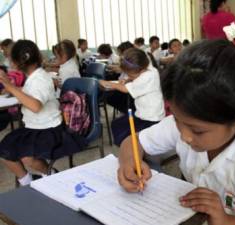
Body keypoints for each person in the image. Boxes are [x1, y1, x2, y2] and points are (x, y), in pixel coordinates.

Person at [117, 36, 235, 224]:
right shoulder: (186, 123)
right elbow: (133, 142)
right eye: (178, 119)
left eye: (198, 131)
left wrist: (227, 221)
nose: (184, 136)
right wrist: (129, 162)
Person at [0, 40, 84, 186]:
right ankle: (27, 180)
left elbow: (35, 106)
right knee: (5, 150)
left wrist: (10, 87)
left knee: (26, 156)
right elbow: (30, 94)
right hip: (34, 126)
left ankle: (51, 174)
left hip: (49, 129)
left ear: (17, 62)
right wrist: (13, 88)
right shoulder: (33, 77)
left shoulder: (41, 78)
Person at [99, 48, 165, 146]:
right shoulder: (148, 67)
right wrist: (127, 79)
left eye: (130, 74)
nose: (129, 76)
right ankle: (128, 148)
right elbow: (134, 75)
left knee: (126, 137)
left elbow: (125, 89)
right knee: (116, 125)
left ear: (141, 69)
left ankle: (135, 152)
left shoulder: (148, 76)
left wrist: (110, 84)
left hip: (151, 118)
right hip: (142, 113)